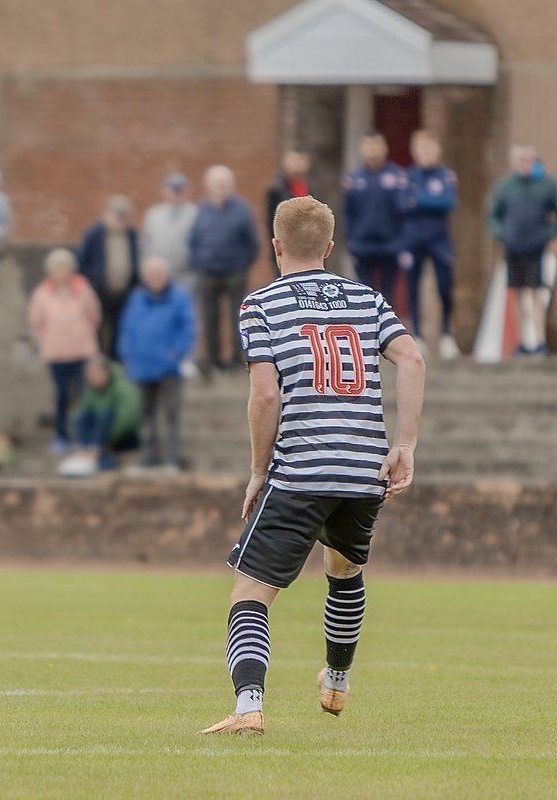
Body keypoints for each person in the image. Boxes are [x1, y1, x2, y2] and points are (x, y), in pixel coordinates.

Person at [198, 196, 426, 736]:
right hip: (362, 470)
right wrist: (406, 445)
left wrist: (259, 469)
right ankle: (337, 682)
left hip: (300, 470)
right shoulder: (366, 298)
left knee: (250, 593)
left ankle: (249, 705)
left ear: (275, 247)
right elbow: (412, 359)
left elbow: (264, 397)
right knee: (344, 572)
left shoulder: (261, 304)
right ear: (328, 247)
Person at [116, 256, 196, 471]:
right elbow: (127, 329)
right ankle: (150, 456)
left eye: (159, 274)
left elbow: (187, 329)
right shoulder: (136, 298)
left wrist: (175, 354)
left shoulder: (178, 297)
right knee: (146, 416)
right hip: (142, 367)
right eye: (151, 275)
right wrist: (127, 355)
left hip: (169, 368)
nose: (155, 279)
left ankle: (172, 459)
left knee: (171, 415)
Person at [28, 247, 101, 453]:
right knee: (61, 396)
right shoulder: (42, 293)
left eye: (65, 267)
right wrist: (49, 341)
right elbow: (36, 322)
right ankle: (62, 436)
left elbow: (94, 316)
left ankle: (84, 436)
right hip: (56, 354)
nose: (61, 271)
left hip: (82, 351)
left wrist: (82, 334)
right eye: (57, 267)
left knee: (83, 396)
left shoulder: (83, 289)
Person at [188, 165, 259, 374]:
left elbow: (252, 243)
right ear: (208, 186)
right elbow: (193, 241)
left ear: (231, 185)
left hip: (235, 272)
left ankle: (238, 360)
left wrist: (243, 264)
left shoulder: (241, 210)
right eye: (217, 183)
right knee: (210, 318)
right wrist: (199, 262)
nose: (221, 187)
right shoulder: (202, 211)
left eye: (224, 183)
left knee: (238, 317)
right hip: (208, 272)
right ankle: (212, 361)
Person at [489, 145, 557, 357]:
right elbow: (494, 215)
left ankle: (538, 340)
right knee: (517, 293)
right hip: (514, 247)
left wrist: (547, 234)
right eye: (521, 160)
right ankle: (522, 341)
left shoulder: (546, 185)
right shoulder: (506, 187)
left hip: (535, 248)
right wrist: (502, 234)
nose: (525, 164)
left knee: (535, 292)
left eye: (529, 160)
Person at [400, 131, 460, 360]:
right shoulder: (408, 176)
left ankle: (446, 335)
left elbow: (447, 202)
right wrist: (423, 201)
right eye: (421, 149)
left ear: (438, 150)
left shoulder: (446, 176)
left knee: (445, 286)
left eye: (430, 148)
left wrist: (420, 199)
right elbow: (403, 204)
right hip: (413, 239)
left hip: (439, 240)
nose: (425, 153)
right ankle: (417, 334)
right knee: (412, 287)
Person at [344, 132, 407, 298]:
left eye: (376, 146)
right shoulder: (353, 179)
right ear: (361, 149)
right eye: (368, 146)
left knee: (387, 296)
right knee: (365, 294)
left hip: (390, 246)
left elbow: (404, 213)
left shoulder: (398, 176)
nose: (372, 151)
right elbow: (348, 213)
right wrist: (350, 244)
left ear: (384, 148)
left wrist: (401, 243)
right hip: (362, 246)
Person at [76, 195, 139, 357]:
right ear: (107, 213)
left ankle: (114, 364)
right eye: (116, 214)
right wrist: (88, 285)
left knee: (119, 330)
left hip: (123, 292)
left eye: (123, 215)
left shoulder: (131, 235)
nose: (119, 218)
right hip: (98, 291)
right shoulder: (94, 234)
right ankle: (97, 364)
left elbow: (136, 260)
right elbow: (82, 261)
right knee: (97, 329)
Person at [68, 354, 142, 471]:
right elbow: (81, 412)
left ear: (105, 373)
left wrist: (107, 437)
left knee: (106, 415)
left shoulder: (122, 387)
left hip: (123, 437)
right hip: (98, 436)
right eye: (89, 375)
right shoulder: (91, 390)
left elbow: (128, 419)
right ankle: (82, 450)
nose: (90, 378)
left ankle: (94, 453)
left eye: (94, 374)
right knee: (83, 416)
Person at [141, 172, 197, 290]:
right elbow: (145, 244)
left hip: (186, 275)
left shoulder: (195, 214)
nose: (176, 194)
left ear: (187, 191)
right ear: (165, 191)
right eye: (172, 190)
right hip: (158, 277)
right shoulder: (154, 214)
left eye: (180, 190)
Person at [265, 148, 314, 264]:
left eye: (301, 160)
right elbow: (271, 220)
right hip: (286, 245)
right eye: (294, 160)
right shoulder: (277, 189)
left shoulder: (311, 186)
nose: (298, 165)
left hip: (310, 244)